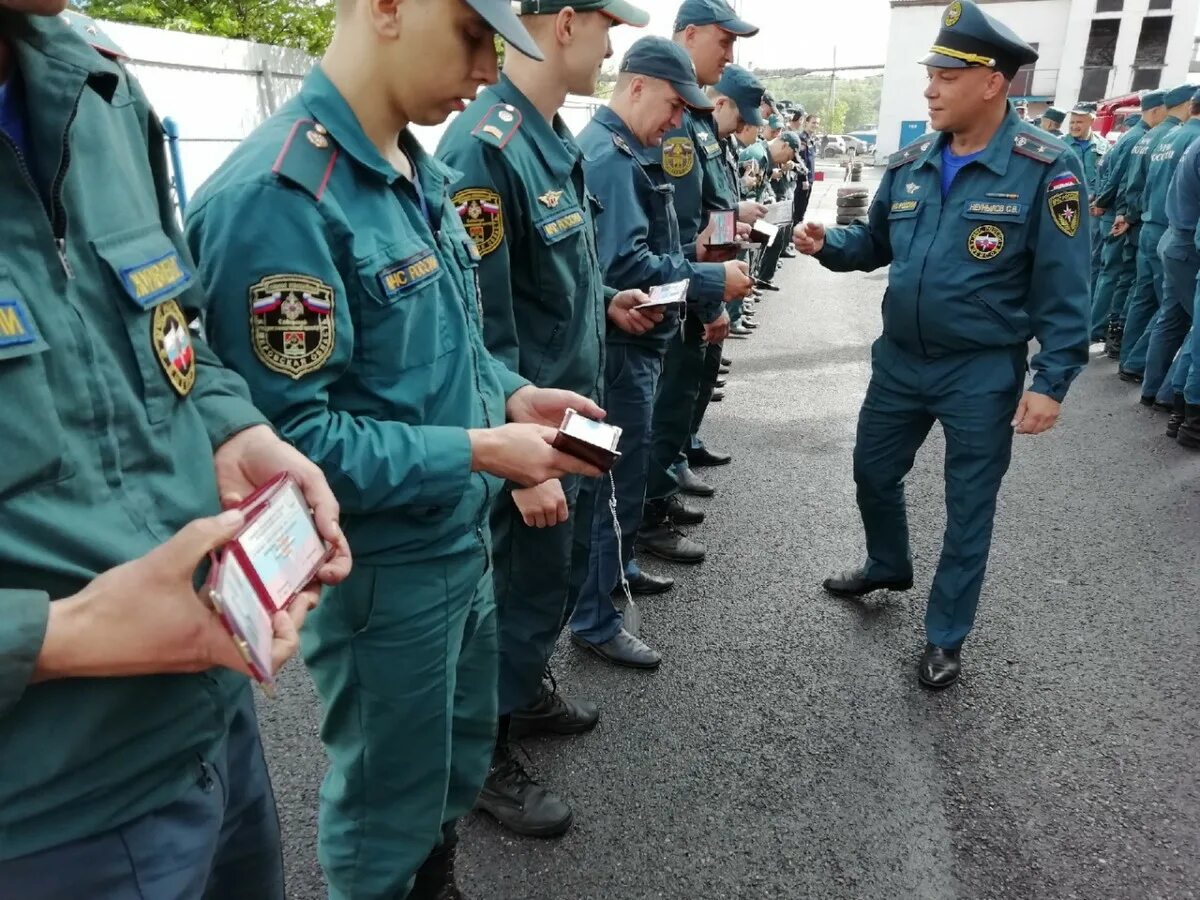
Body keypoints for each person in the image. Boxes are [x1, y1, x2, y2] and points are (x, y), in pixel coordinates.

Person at [185, 1, 608, 897]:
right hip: (382, 572)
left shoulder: (413, 167)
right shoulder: (279, 198)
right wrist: (481, 452)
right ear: (387, 8)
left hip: (462, 545)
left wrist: (516, 397)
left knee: (450, 769)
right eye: (474, 35)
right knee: (384, 809)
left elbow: (448, 348)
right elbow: (287, 449)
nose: (491, 69)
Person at [0, 4, 350, 897]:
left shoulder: (98, 85)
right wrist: (55, 637)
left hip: (211, 725)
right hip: (45, 818)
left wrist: (235, 430)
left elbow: (171, 328)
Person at [793, 0, 1090, 689]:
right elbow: (872, 244)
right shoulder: (912, 162)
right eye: (931, 74)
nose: (929, 88)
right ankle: (887, 563)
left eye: (945, 76)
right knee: (872, 471)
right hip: (900, 361)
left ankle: (945, 634)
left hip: (980, 369)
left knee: (968, 505)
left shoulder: (1047, 167)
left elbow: (1067, 286)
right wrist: (825, 245)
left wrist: (1051, 380)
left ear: (992, 83)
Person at [435, 0, 657, 839]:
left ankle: (520, 691)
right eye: (608, 26)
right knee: (517, 583)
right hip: (524, 428)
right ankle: (483, 748)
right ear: (565, 23)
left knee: (559, 569)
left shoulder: (551, 138)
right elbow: (477, 324)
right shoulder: (485, 148)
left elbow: (552, 280)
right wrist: (519, 461)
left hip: (570, 409)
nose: (614, 45)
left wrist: (608, 298)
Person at [569, 35, 727, 669]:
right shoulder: (608, 158)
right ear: (635, 86)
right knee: (610, 486)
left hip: (633, 347)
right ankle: (597, 616)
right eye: (671, 104)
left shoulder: (626, 150)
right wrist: (708, 279)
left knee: (621, 486)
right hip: (616, 354)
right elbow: (624, 266)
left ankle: (615, 576)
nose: (677, 120)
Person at [636, 0, 757, 569]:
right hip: (676, 286)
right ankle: (646, 515)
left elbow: (719, 208)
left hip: (695, 282)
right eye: (722, 40)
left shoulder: (700, 121)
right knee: (660, 409)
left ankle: (655, 498)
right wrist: (708, 292)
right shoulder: (675, 122)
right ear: (687, 35)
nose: (729, 53)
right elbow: (684, 226)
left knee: (677, 401)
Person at [1110, 83, 1196, 383]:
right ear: (1187, 105)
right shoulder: (1190, 137)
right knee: (1170, 310)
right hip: (1173, 230)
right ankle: (1148, 372)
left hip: (1150, 225)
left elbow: (1139, 183)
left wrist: (1130, 214)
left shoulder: (1161, 136)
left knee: (1144, 297)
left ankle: (1130, 360)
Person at [1135, 88, 1200, 403]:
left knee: (1171, 315)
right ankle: (1174, 394)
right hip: (1186, 241)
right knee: (1193, 323)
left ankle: (1152, 389)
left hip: (1164, 232)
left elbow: (1146, 183)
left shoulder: (1172, 136)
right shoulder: (1192, 139)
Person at [1091, 98, 1159, 346]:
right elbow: (1120, 177)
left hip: (1113, 209)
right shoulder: (1137, 138)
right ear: (1156, 110)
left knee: (1104, 270)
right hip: (1118, 212)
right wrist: (1103, 201)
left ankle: (1095, 324)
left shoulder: (1134, 135)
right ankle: (1095, 326)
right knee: (1113, 273)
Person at [1066, 102, 1108, 282]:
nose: (1075, 126)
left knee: (1091, 256)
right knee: (1066, 254)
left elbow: (1108, 175)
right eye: (1072, 122)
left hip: (1093, 210)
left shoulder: (1103, 145)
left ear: (1092, 121)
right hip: (1067, 208)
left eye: (1079, 122)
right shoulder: (1060, 145)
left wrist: (1100, 199)